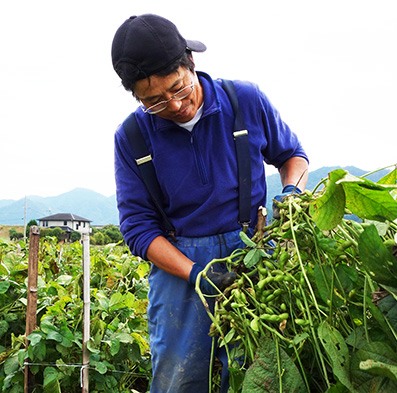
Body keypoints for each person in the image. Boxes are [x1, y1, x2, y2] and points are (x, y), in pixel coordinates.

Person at [110, 14, 309, 392]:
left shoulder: (243, 101)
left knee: (257, 374)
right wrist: (196, 274)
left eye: (179, 89)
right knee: (177, 379)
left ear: (191, 64)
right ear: (137, 97)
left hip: (251, 253)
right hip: (180, 266)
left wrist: (292, 194)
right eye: (155, 101)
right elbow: (137, 227)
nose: (176, 105)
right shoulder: (133, 137)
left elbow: (293, 156)